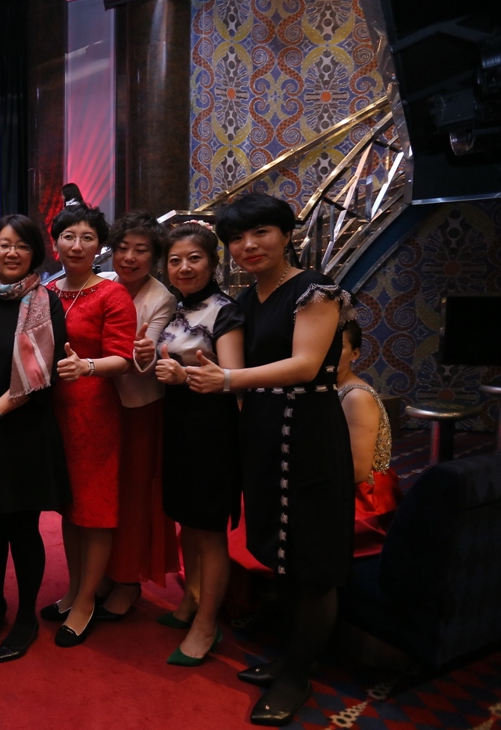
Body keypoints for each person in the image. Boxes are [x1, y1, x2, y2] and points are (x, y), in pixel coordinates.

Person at [192, 194, 354, 726]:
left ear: (286, 234)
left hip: (308, 435)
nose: (248, 245)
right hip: (264, 433)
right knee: (283, 557)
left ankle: (297, 677)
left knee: (312, 562)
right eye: (237, 238)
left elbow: (306, 365)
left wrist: (228, 380)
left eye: (260, 232)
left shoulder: (314, 290)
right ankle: (290, 657)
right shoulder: (250, 298)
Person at [0, 214, 70, 663]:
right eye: (4, 244)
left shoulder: (46, 301)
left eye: (21, 245)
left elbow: (42, 375)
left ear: (34, 253)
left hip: (24, 430)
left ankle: (25, 615)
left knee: (23, 528)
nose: (11, 253)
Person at [44, 205, 136, 647]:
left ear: (99, 246)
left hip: (95, 413)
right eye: (68, 236)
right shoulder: (47, 290)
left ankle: (85, 602)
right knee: (69, 506)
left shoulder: (112, 295)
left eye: (87, 237)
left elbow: (123, 358)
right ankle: (73, 589)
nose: (77, 245)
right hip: (54, 411)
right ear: (55, 243)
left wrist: (87, 366)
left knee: (94, 510)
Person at [153, 221, 244, 666]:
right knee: (185, 522)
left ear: (212, 262)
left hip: (212, 433)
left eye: (194, 258)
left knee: (208, 532)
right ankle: (190, 601)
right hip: (178, 428)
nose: (184, 267)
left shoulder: (225, 312)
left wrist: (183, 375)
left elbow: (233, 379)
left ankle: (208, 625)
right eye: (175, 260)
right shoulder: (177, 308)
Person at [91, 211, 179, 621]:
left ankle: (128, 579)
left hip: (140, 408)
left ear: (154, 257)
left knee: (135, 496)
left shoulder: (161, 298)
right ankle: (106, 571)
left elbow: (148, 359)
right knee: (102, 492)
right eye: (123, 248)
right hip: (100, 404)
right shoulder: (104, 283)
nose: (129, 257)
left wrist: (145, 354)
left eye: (140, 250)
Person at [336, 320, 400, 558]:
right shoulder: (326, 388)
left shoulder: (356, 397)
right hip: (337, 484)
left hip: (362, 500)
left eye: (337, 347)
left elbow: (358, 472)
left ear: (355, 354)